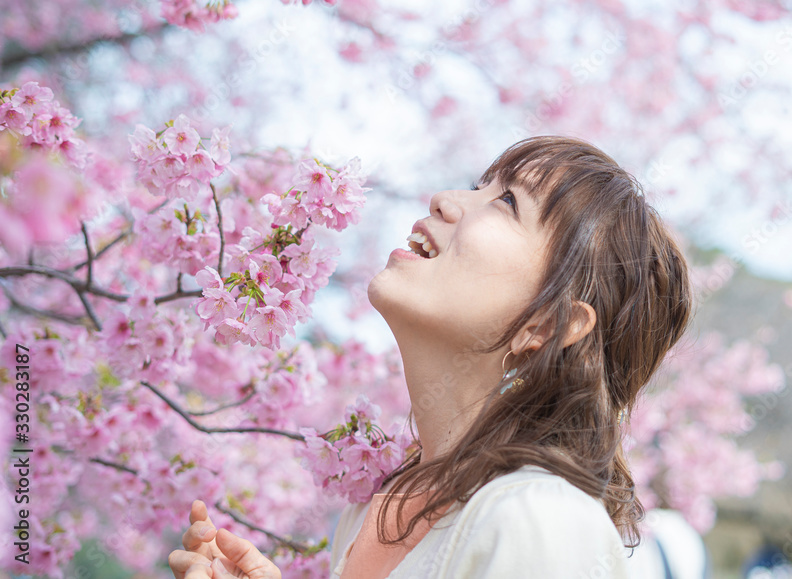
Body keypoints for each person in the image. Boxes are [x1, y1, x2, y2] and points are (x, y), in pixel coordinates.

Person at [167, 135, 693, 579]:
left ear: (546, 325)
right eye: (475, 186)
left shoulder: (541, 519)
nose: (444, 199)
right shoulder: (374, 506)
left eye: (507, 202)